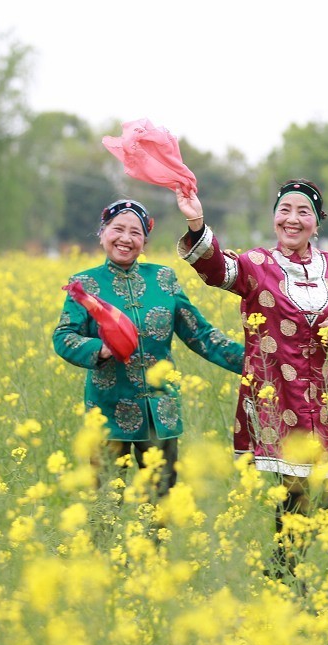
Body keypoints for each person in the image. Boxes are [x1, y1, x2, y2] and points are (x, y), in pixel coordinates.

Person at [174, 178, 328, 576]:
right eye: (284, 210)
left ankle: (281, 565)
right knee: (295, 491)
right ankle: (287, 577)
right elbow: (216, 269)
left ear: (316, 223)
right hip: (275, 400)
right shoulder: (257, 264)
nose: (292, 219)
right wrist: (197, 224)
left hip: (322, 405)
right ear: (274, 219)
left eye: (303, 211)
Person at [53, 198, 244, 501]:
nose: (126, 239)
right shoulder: (84, 283)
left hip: (160, 415)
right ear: (102, 234)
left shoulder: (164, 279)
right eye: (118, 229)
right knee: (104, 508)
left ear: (144, 242)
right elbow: (64, 336)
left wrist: (255, 363)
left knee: (161, 510)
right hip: (107, 414)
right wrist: (100, 349)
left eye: (135, 232)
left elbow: (200, 334)